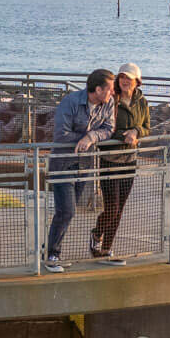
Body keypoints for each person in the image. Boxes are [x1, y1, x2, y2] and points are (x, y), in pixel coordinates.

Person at [45, 69, 115, 270]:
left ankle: (49, 247)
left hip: (85, 163)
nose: (112, 93)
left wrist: (90, 137)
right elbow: (60, 135)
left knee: (67, 212)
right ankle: (52, 255)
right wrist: (82, 138)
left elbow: (109, 129)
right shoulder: (70, 102)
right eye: (109, 89)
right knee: (67, 210)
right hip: (63, 162)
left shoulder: (108, 103)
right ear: (98, 89)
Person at [91, 62, 150, 258]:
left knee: (120, 209)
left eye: (129, 78)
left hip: (130, 160)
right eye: (122, 77)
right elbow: (100, 125)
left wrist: (136, 131)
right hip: (110, 158)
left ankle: (106, 248)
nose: (125, 81)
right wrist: (120, 135)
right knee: (112, 207)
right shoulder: (111, 99)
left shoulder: (142, 101)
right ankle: (97, 233)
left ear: (137, 81)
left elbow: (147, 127)